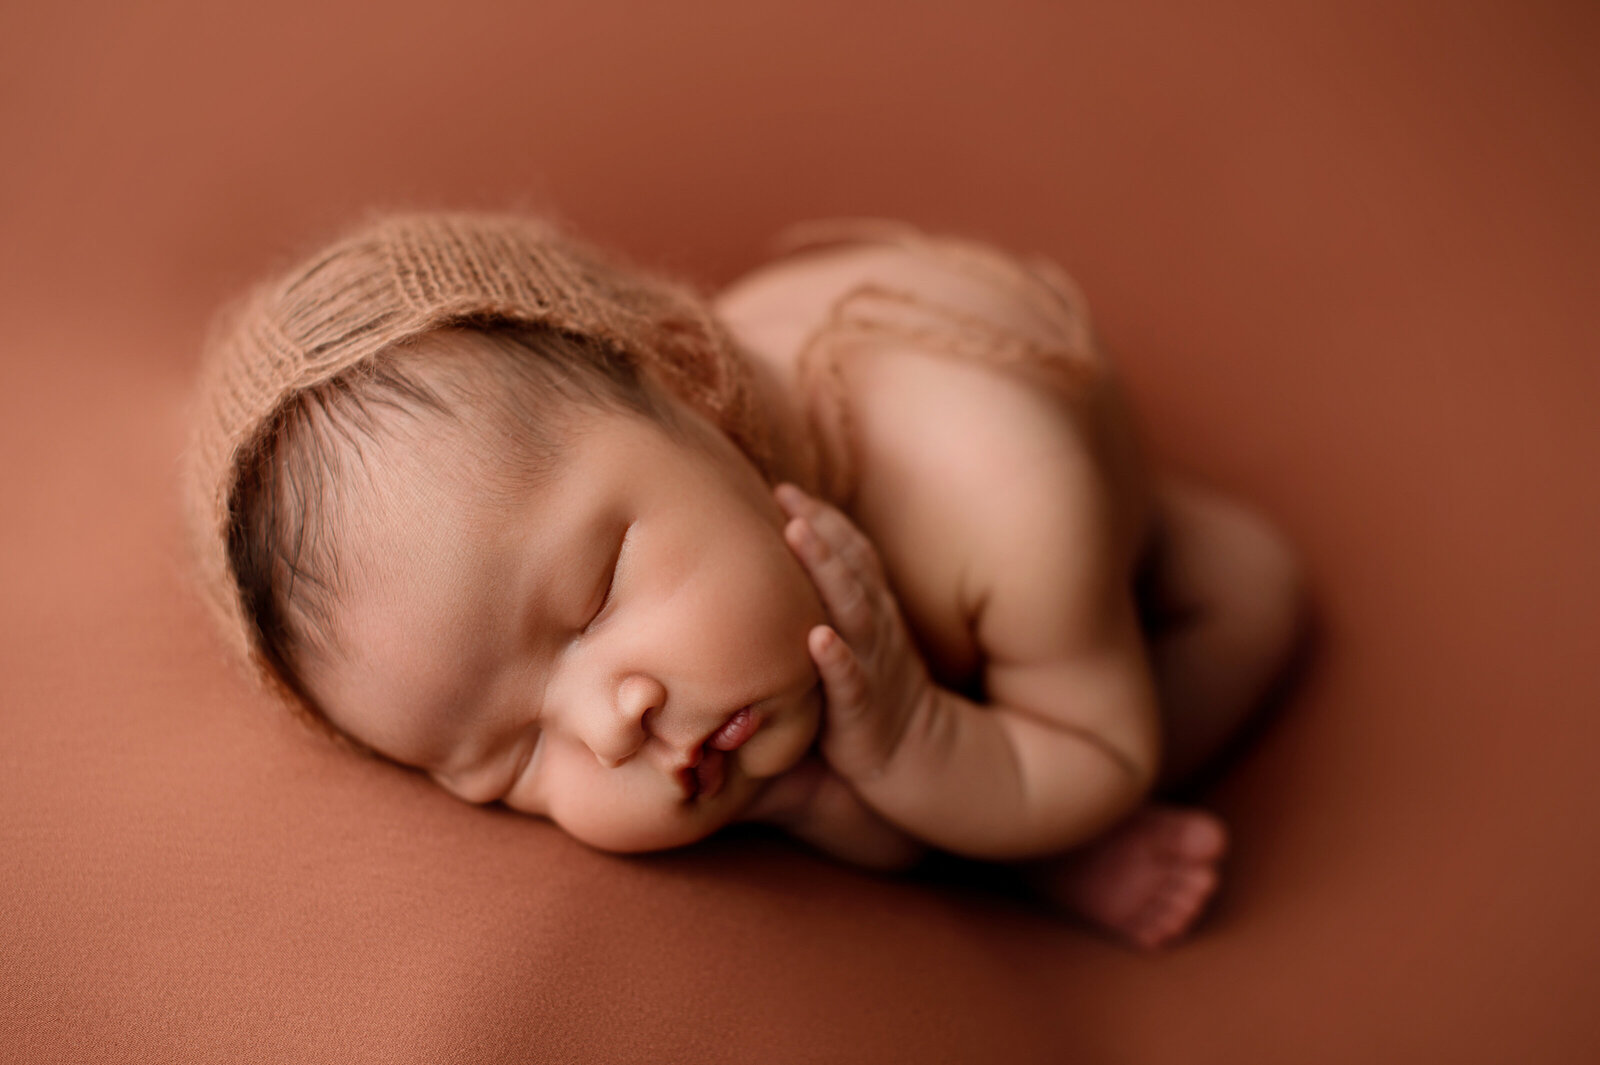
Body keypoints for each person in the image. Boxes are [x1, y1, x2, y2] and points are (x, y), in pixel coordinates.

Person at [186, 211, 1306, 950]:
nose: (609, 727)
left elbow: (1109, 757)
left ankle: (1023, 842)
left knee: (1255, 590)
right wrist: (821, 797)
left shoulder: (1003, 497)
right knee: (844, 768)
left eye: (590, 602)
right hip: (796, 580)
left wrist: (919, 737)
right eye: (509, 759)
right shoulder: (709, 634)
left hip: (1079, 530)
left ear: (693, 387)